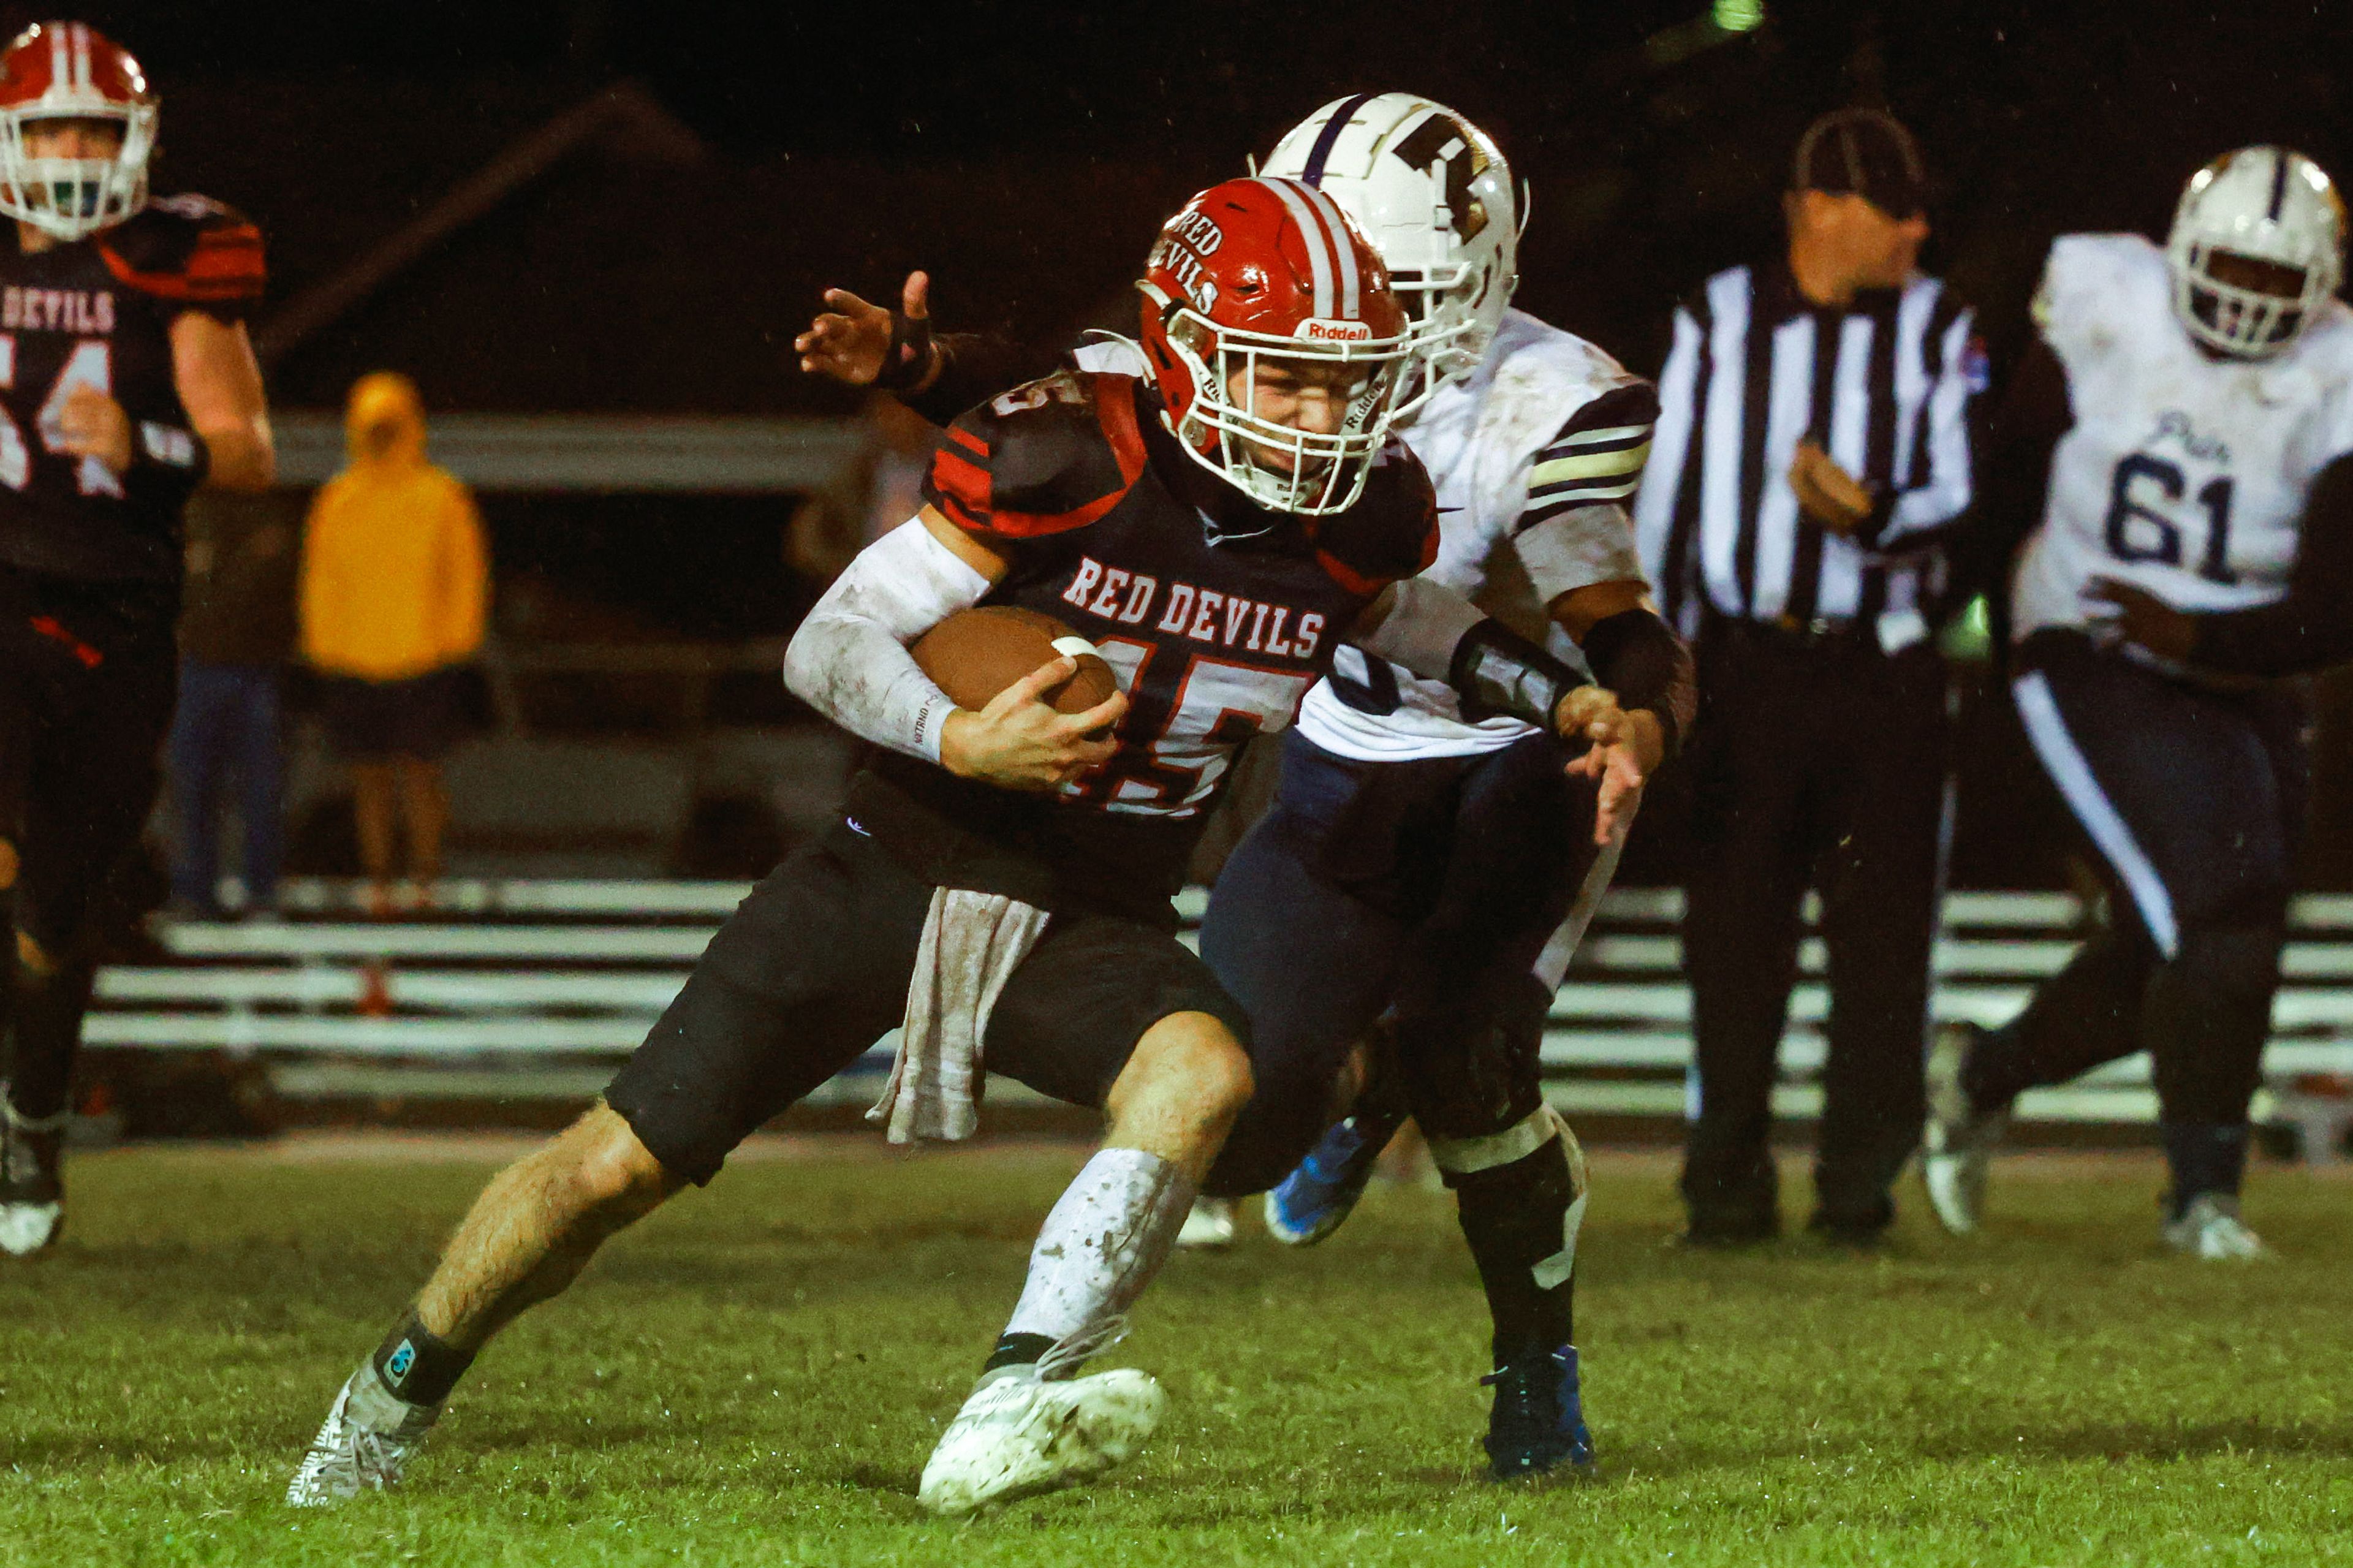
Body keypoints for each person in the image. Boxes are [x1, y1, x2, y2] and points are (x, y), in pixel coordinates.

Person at [287, 176, 1629, 1514]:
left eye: (1345, 385)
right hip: (900, 859)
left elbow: (1409, 623)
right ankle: (391, 1389)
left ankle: (1010, 1401)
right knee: (608, 1169)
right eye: (1287, 381)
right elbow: (833, 639)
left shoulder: (1356, 515)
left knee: (1203, 1072)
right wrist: (956, 736)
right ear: (1190, 352)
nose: (1323, 418)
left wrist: (1549, 687)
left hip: (1089, 905)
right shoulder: (1066, 454)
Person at [797, 96, 1696, 1483]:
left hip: (1508, 772)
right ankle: (1355, 1074)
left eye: (1383, 288)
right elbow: (1078, 377)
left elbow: (1611, 611)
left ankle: (1533, 1368)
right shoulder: (1254, 339)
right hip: (1343, 766)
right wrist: (917, 359)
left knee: (1470, 1065)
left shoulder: (1550, 395)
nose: (1346, 313)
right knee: (1236, 1133)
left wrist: (1637, 717)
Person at [1922, 147, 2353, 1259]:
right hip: (2089, 642)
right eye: (2231, 274)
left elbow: (2338, 606)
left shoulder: (2339, 368)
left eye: (2276, 284)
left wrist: (2207, 635)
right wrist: (1968, 637)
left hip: (2245, 670)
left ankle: (1983, 1071)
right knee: (2219, 905)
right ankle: (2201, 1198)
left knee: (2219, 925)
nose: (2249, 303)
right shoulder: (2105, 301)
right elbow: (2009, 475)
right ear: (2178, 254)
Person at [1635, 107, 1984, 1248]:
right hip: (1747, 665)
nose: (1917, 231)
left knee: (1883, 939)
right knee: (1737, 933)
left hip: (1882, 672)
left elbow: (1963, 491)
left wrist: (1874, 516)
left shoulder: (1937, 324)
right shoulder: (1717, 318)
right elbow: (1668, 504)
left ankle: (1857, 1191)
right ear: (1823, 208)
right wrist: (1658, 674)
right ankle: (1725, 1186)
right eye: (1897, 208)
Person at [0, 21, 273, 1257]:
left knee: (57, 919)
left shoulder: (173, 259)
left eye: (88, 131)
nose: (67, 153)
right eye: (47, 128)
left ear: (134, 143)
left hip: (114, 613)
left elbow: (248, 452)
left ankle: (33, 1111)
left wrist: (144, 444)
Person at [297, 371, 487, 914]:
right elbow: (321, 576)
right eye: (372, 427)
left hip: (423, 657)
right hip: (357, 658)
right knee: (370, 779)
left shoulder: (440, 495)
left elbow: (464, 573)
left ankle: (425, 878)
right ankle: (379, 881)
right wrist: (324, 642)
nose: (381, 436)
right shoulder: (340, 498)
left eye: (390, 426)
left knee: (422, 775)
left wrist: (457, 640)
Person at [168, 491, 297, 917]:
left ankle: (261, 891)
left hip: (255, 669)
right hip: (197, 668)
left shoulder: (272, 512)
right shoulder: (188, 511)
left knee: (260, 788)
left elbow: (289, 589)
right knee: (193, 786)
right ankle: (194, 890)